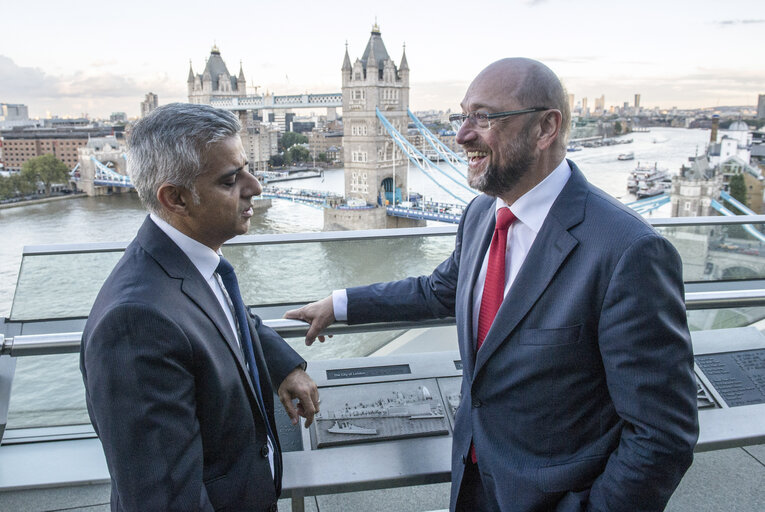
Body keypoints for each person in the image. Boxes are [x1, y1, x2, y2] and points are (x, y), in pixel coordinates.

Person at [285, 58, 698, 511]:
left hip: (556, 496)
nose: (461, 135)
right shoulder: (482, 214)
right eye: (462, 116)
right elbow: (439, 290)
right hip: (473, 480)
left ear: (545, 128)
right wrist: (340, 304)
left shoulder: (628, 250)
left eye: (483, 118)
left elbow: (661, 435)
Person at [81, 103, 318, 512]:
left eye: (246, 167)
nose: (256, 187)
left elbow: (228, 317)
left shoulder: (189, 262)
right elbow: (166, 499)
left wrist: (283, 366)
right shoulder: (134, 322)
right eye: (231, 180)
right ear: (175, 198)